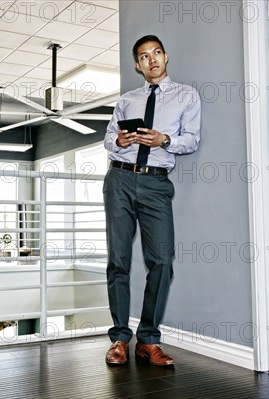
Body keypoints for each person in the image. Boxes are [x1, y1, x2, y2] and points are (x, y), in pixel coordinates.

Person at [102, 35, 201, 366]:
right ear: (137, 65)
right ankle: (119, 338)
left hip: (156, 182)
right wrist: (119, 139)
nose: (152, 60)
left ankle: (148, 339)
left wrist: (164, 139)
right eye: (144, 56)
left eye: (156, 53)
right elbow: (108, 140)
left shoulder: (186, 95)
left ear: (166, 56)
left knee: (162, 261)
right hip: (119, 178)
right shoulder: (126, 100)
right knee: (118, 260)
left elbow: (191, 140)